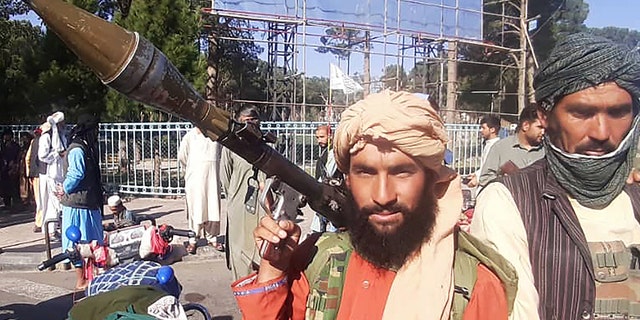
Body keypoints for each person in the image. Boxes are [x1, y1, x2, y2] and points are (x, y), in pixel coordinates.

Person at [232, 90, 517, 319]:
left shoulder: (473, 286)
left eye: (402, 172)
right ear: (347, 180)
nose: (382, 195)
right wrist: (274, 268)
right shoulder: (322, 259)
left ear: (433, 179)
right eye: (365, 172)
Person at [470, 33, 640, 319]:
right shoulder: (508, 202)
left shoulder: (633, 195)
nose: (601, 132)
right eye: (582, 113)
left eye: (618, 113)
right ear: (545, 117)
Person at [56, 114, 104, 290]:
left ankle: (90, 276)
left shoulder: (84, 147)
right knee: (79, 243)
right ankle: (81, 280)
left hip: (86, 203)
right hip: (78, 205)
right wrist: (65, 188)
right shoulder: (77, 149)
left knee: (90, 242)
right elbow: (76, 174)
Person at [220, 105, 267, 280]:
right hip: (239, 207)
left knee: (262, 250)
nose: (251, 125)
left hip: (263, 208)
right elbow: (224, 178)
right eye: (246, 121)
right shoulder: (231, 146)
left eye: (254, 120)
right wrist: (235, 198)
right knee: (240, 252)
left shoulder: (266, 146)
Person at [178, 127, 223, 254]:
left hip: (213, 178)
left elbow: (220, 154)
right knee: (196, 208)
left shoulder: (215, 136)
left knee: (212, 206)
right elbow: (183, 156)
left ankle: (212, 237)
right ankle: (193, 239)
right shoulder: (190, 137)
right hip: (195, 178)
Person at [478, 104, 544, 186]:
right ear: (525, 126)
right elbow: (484, 179)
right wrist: (507, 180)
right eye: (540, 127)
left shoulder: (547, 152)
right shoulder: (500, 147)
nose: (543, 132)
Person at [309, 124, 343, 233]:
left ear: (330, 136)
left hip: (333, 194)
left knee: (333, 228)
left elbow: (328, 173)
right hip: (323, 194)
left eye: (322, 137)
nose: (319, 140)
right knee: (317, 227)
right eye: (317, 137)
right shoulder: (325, 153)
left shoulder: (334, 152)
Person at [38, 111, 67, 236]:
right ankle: (52, 228)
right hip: (53, 173)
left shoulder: (63, 136)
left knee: (54, 203)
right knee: (55, 202)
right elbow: (42, 156)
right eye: (62, 123)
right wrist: (57, 155)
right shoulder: (46, 137)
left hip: (63, 173)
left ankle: (52, 230)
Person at [466, 115, 501, 192]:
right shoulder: (488, 144)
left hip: (490, 187)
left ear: (492, 130)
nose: (481, 130)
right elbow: (485, 165)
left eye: (483, 128)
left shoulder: (496, 146)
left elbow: (492, 169)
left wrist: (477, 179)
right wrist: (476, 174)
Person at [26, 127, 46, 232]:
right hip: (44, 174)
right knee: (44, 200)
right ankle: (40, 222)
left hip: (35, 175)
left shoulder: (33, 142)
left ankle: (39, 222)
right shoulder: (47, 140)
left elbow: (27, 158)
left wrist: (29, 173)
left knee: (39, 199)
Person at [0, 128, 21, 212]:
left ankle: (16, 204)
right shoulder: (2, 145)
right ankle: (7, 203)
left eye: (7, 135)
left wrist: (14, 163)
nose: (5, 137)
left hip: (13, 168)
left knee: (14, 186)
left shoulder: (15, 146)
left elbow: (18, 156)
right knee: (5, 187)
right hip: (4, 168)